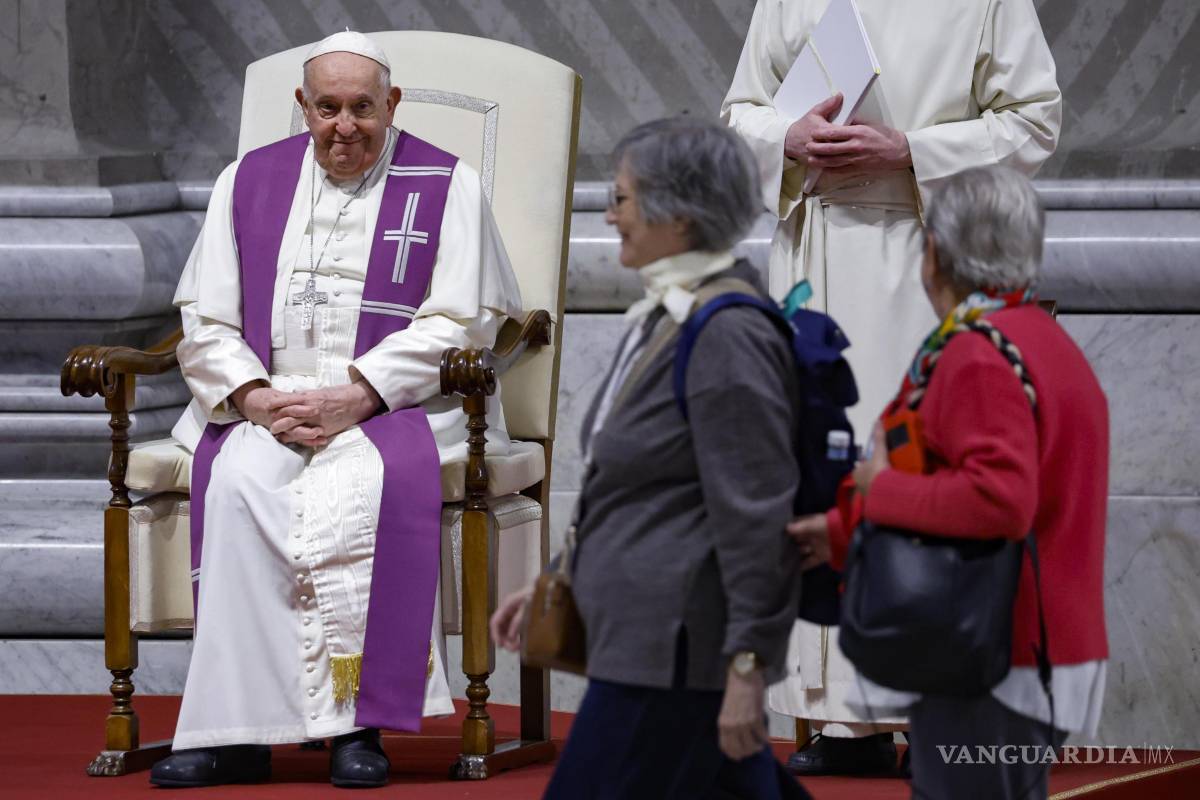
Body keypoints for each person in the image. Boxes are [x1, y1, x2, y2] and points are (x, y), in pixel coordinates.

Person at [149, 31, 522, 789]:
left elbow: (463, 323)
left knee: (361, 491)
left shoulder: (445, 185)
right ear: (303, 107)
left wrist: (361, 393)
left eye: (362, 108)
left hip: (392, 403)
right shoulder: (247, 181)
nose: (344, 126)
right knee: (242, 487)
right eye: (328, 108)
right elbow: (206, 320)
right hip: (272, 402)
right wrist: (254, 399)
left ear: (393, 104)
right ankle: (237, 732)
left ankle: (360, 727)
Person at [721, 0, 1063, 773]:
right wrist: (788, 137)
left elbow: (1035, 121)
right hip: (813, 254)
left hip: (928, 261)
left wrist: (911, 150)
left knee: (920, 478)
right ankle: (849, 724)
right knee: (823, 474)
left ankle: (937, 711)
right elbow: (740, 110)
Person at [491, 118, 809, 800]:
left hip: (673, 653)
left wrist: (750, 670)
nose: (610, 216)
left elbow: (756, 520)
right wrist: (565, 576)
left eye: (623, 199)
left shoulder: (727, 331)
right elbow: (633, 489)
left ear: (680, 214)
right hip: (648, 641)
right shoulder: (672, 315)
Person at [791, 165, 1109, 798]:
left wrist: (876, 493)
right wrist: (835, 531)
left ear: (933, 251)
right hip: (1030, 645)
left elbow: (998, 500)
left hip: (994, 652)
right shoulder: (1036, 336)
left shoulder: (975, 354)